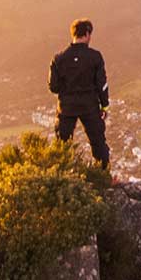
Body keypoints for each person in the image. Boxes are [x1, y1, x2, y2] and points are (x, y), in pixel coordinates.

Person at [48, 19, 110, 170]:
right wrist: (105, 106)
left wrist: (67, 89)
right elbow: (102, 84)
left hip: (66, 107)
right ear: (87, 34)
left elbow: (53, 86)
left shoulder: (59, 58)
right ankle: (103, 175)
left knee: (62, 143)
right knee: (98, 142)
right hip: (89, 106)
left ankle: (61, 176)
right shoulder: (95, 57)